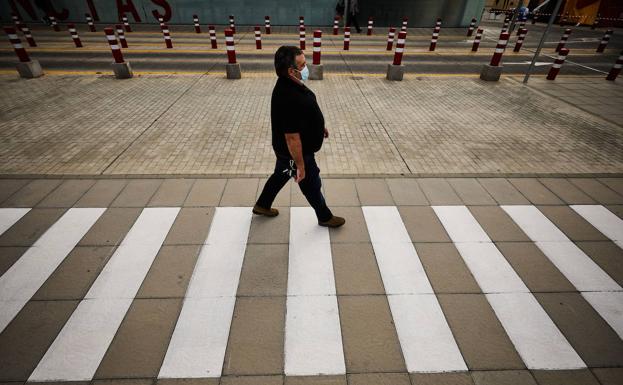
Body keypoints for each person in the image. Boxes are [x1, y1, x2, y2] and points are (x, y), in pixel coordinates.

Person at [253, 46, 345, 228]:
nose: (306, 68)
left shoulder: (288, 83)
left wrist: (320, 127)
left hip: (285, 153)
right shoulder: (289, 97)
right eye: (302, 65)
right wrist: (301, 164)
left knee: (281, 173)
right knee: (311, 183)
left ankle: (262, 205)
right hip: (297, 153)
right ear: (291, 70)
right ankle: (324, 216)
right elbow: (292, 138)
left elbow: (303, 116)